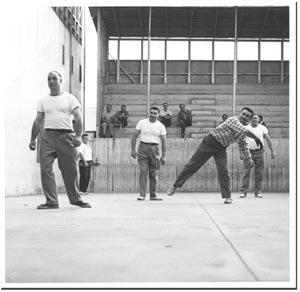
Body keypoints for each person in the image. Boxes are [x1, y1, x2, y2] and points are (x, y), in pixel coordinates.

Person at [166, 107, 264, 204]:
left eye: (247, 116)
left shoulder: (243, 130)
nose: (244, 117)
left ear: (249, 119)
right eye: (243, 114)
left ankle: (227, 196)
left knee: (224, 171)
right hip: (210, 142)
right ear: (240, 114)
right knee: (193, 165)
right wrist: (256, 138)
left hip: (221, 148)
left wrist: (249, 158)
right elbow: (244, 131)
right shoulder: (233, 120)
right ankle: (175, 186)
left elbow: (243, 145)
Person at [29, 71, 91, 209]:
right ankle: (51, 201)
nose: (51, 81)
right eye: (49, 78)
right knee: (45, 169)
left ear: (60, 80)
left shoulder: (70, 98)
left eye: (54, 78)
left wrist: (78, 136)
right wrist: (32, 139)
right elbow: (38, 121)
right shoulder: (43, 101)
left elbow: (79, 118)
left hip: (66, 137)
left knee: (71, 170)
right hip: (48, 138)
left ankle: (76, 199)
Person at [131, 106, 167, 201]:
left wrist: (163, 156)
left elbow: (163, 141)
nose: (153, 115)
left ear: (158, 115)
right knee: (143, 171)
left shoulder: (161, 126)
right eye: (151, 112)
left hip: (154, 148)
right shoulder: (142, 122)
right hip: (143, 147)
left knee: (154, 172)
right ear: (148, 113)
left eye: (155, 113)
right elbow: (134, 136)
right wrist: (133, 150)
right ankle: (142, 194)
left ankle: (153, 194)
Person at [240, 114, 275, 198]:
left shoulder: (262, 128)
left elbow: (268, 139)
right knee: (246, 173)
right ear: (250, 119)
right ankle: (243, 192)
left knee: (259, 173)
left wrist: (272, 151)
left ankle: (258, 191)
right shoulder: (246, 128)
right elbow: (241, 141)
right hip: (248, 153)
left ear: (258, 119)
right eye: (252, 118)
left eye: (256, 118)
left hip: (259, 152)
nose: (254, 119)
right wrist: (241, 153)